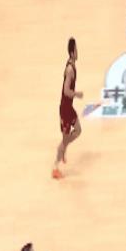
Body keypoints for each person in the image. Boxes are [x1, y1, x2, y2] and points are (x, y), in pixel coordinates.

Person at [53, 38, 83, 179]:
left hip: (68, 108)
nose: (78, 52)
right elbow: (66, 91)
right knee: (65, 140)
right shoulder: (70, 69)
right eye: (76, 50)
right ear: (71, 53)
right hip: (65, 109)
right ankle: (55, 168)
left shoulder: (71, 65)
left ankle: (63, 147)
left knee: (78, 130)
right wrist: (76, 94)